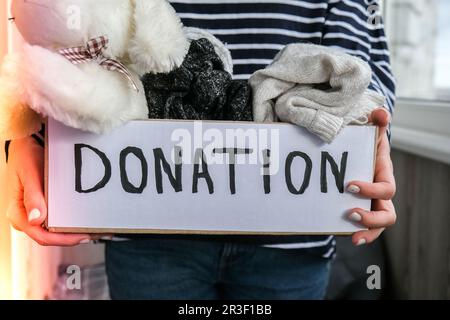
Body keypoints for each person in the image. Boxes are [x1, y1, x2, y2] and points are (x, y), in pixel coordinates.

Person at [5, 0, 396, 299]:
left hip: (291, 232)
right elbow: (53, 29)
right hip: (147, 224)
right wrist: (24, 137)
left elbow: (363, 64)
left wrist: (372, 136)